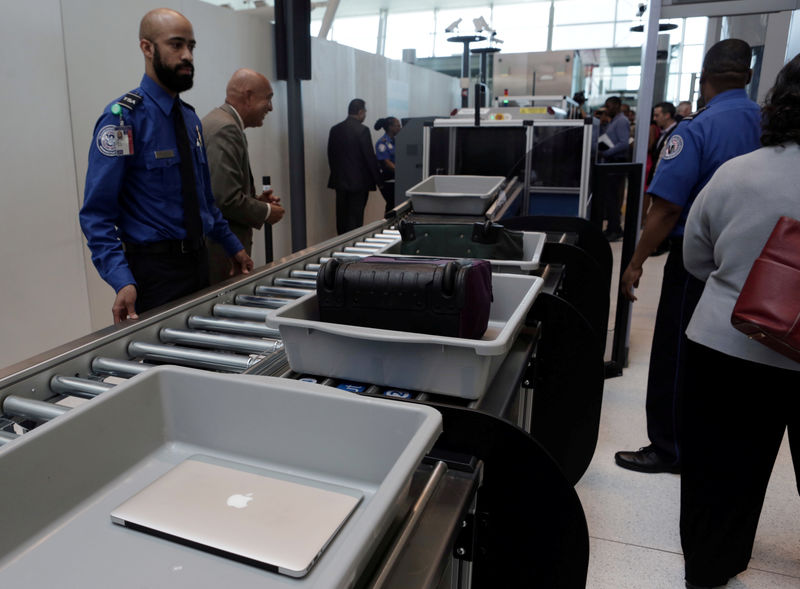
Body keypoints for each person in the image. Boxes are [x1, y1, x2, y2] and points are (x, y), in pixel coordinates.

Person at [680, 54, 800, 589]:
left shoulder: (739, 172)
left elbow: (695, 259)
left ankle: (710, 569)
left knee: (718, 471)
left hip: (726, 344)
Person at [615, 39, 761, 474]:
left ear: (703, 78)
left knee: (675, 353)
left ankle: (668, 447)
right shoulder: (769, 123)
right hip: (757, 258)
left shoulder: (695, 130)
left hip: (698, 262)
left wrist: (636, 261)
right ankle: (714, 441)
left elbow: (667, 208)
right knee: (734, 354)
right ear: (749, 77)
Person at [80, 8, 253, 324]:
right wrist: (121, 279)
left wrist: (233, 247)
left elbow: (204, 202)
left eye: (191, 46)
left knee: (205, 359)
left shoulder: (189, 120)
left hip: (201, 265)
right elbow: (97, 214)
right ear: (147, 48)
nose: (187, 55)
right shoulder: (122, 120)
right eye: (176, 45)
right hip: (155, 275)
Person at [202, 68, 285, 284]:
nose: (270, 107)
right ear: (248, 96)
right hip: (222, 253)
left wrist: (255, 202)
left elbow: (218, 190)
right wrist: (266, 211)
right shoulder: (226, 129)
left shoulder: (220, 122)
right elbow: (224, 199)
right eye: (268, 99)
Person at [327, 98, 381, 235]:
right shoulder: (363, 130)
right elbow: (369, 158)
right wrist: (380, 182)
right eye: (365, 112)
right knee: (355, 221)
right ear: (361, 111)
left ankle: (340, 248)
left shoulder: (335, 130)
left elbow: (331, 155)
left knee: (342, 219)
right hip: (359, 184)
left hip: (340, 183)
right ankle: (353, 250)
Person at [597, 96, 631, 241]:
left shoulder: (622, 121)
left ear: (617, 106)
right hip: (610, 161)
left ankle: (615, 229)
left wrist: (606, 152)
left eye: (609, 106)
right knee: (609, 198)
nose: (607, 109)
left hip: (616, 162)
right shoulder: (614, 121)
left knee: (613, 198)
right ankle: (612, 227)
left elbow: (624, 143)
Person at [373, 116, 401, 213]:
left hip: (396, 178)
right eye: (397, 126)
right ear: (390, 127)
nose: (400, 128)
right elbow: (386, 162)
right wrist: (402, 172)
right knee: (391, 205)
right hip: (388, 179)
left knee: (397, 205)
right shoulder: (382, 143)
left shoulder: (398, 141)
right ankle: (388, 227)